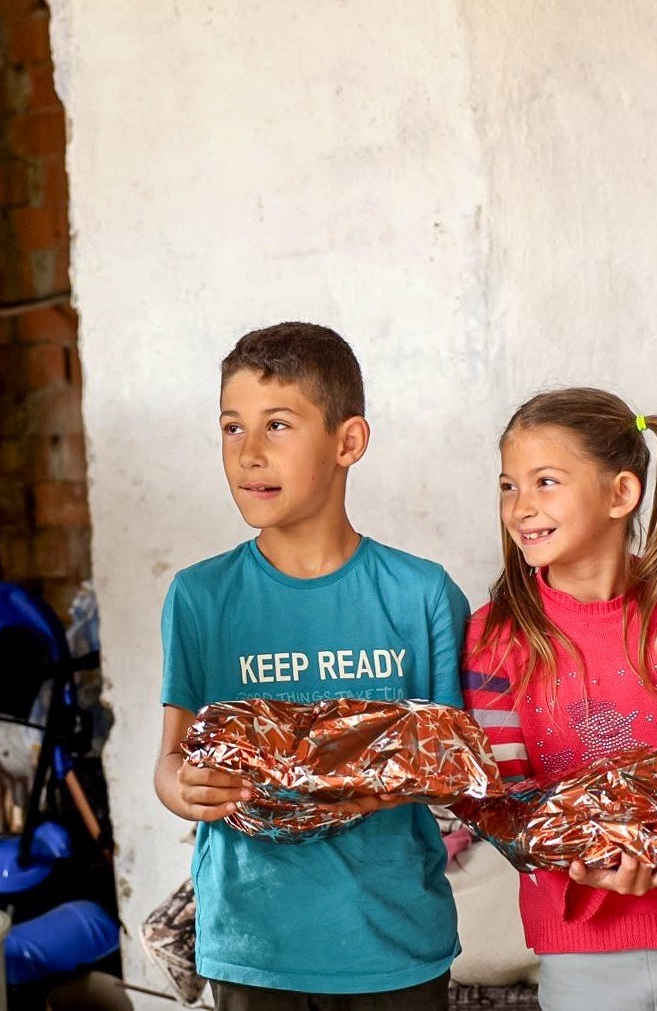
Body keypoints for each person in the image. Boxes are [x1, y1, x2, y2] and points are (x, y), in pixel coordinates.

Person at [153, 322, 468, 1011]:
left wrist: (373, 783)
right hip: (253, 947)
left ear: (347, 441)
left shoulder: (422, 595)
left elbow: (454, 774)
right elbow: (170, 761)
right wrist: (186, 788)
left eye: (277, 425)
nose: (249, 453)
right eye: (231, 428)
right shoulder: (199, 597)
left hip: (393, 946)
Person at [461, 388, 657, 1011]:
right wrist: (589, 858)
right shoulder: (493, 639)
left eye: (545, 482)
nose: (520, 507)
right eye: (507, 486)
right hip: (578, 950)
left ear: (620, 494)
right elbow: (505, 804)